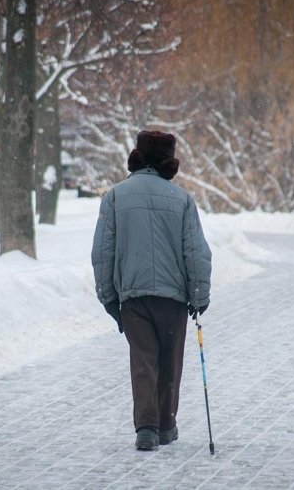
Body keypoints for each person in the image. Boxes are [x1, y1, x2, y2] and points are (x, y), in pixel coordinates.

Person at [91, 130, 212, 451]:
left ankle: (146, 427)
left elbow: (102, 251)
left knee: (143, 361)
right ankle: (166, 425)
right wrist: (199, 295)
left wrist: (109, 297)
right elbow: (196, 253)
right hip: (172, 300)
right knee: (170, 362)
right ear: (169, 162)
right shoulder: (182, 199)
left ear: (138, 157)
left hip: (134, 298)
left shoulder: (115, 197)